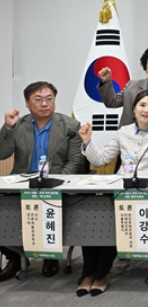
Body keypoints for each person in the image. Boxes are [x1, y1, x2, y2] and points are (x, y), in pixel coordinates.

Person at [77, 90, 148, 296]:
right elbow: (101, 159)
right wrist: (87, 141)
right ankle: (88, 273)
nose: (146, 110)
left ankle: (102, 274)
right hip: (120, 190)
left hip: (147, 193)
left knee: (115, 222)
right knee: (93, 217)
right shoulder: (123, 131)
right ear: (134, 109)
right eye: (142, 105)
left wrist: (136, 180)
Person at [0, 81, 83, 281]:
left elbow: (75, 161)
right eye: (38, 99)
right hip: (22, 185)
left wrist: (57, 183)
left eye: (49, 99)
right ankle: (15, 257)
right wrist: (8, 127)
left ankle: (49, 256)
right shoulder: (18, 125)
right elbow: (2, 154)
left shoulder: (70, 126)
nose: (44, 104)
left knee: (48, 206)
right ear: (27, 103)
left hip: (55, 185)